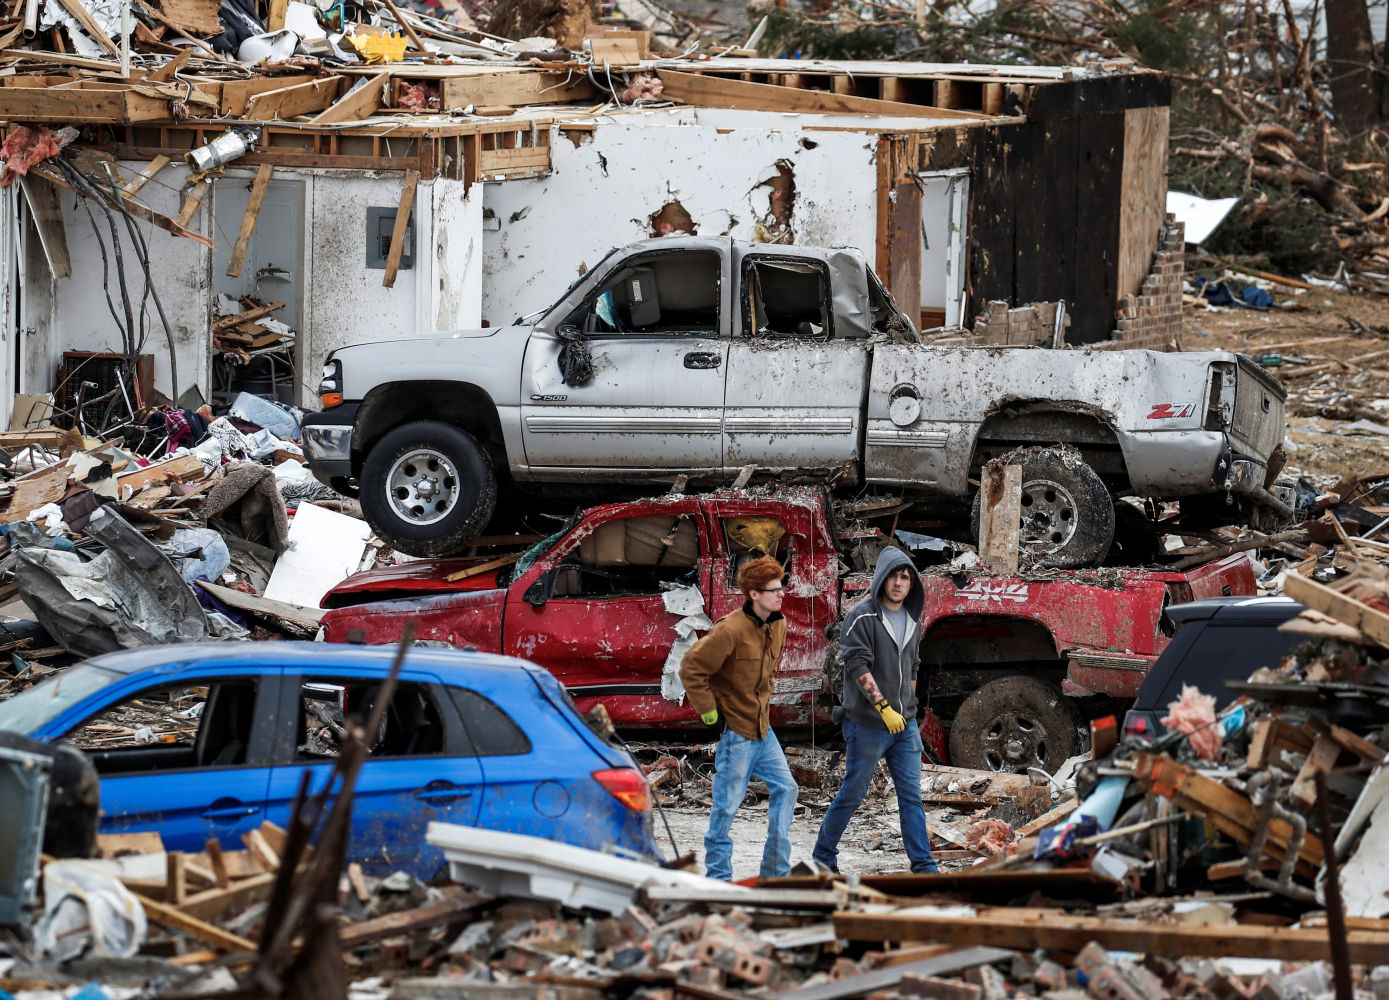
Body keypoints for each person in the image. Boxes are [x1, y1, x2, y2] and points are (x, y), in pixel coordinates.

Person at [813, 546, 939, 874]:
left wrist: (908, 708)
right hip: (867, 724)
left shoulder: (912, 620)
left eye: (905, 577)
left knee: (911, 797)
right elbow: (857, 665)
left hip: (904, 726)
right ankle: (823, 856)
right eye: (893, 576)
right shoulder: (862, 616)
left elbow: (913, 666)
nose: (898, 583)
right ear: (882, 578)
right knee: (853, 794)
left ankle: (924, 867)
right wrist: (884, 708)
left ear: (912, 584)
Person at [679, 555, 799, 881]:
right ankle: (719, 877)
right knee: (727, 805)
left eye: (782, 587)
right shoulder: (730, 630)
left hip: (763, 729)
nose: (781, 594)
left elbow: (767, 676)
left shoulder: (778, 625)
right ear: (754, 594)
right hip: (737, 732)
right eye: (773, 590)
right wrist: (711, 713)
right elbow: (691, 668)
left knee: (787, 789)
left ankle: (775, 873)